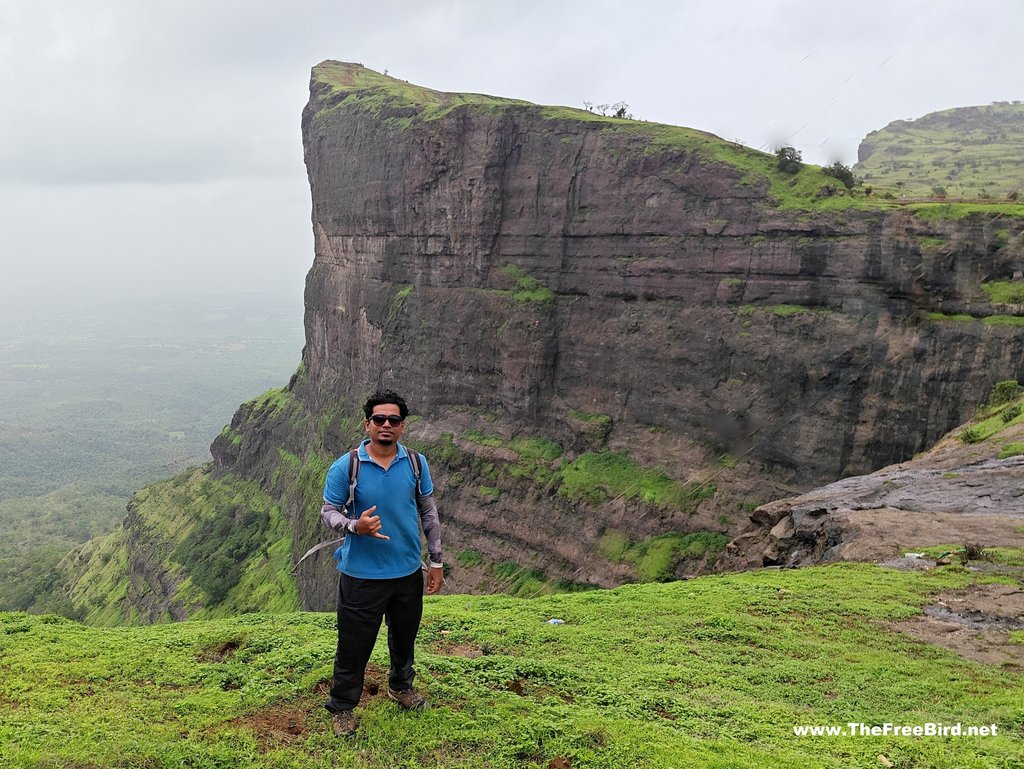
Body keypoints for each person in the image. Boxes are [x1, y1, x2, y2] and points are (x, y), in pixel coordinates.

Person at [319, 390, 444, 739]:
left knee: (404, 638)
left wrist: (436, 561)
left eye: (393, 420)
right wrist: (353, 526)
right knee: (353, 644)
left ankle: (401, 686)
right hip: (361, 574)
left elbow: (428, 512)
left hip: (407, 571)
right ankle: (343, 707)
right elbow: (328, 511)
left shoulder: (417, 463)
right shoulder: (348, 465)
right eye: (379, 419)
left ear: (402, 427)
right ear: (367, 424)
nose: (385, 425)